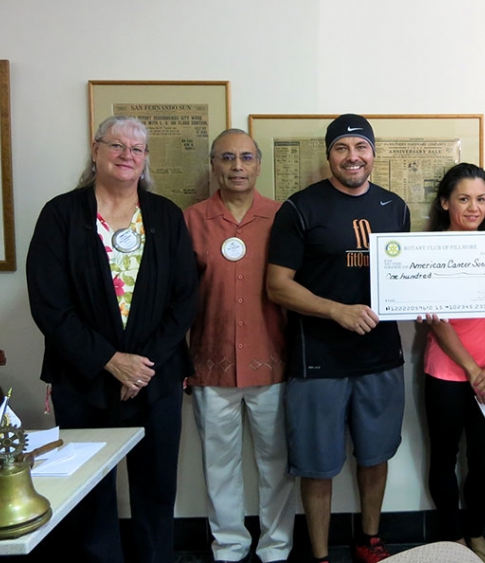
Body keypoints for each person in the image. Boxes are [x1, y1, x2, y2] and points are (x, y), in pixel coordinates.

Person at [26, 115, 197, 563]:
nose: (127, 155)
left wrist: (140, 365)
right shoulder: (61, 214)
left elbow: (185, 299)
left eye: (137, 149)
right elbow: (49, 304)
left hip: (154, 378)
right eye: (117, 146)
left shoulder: (165, 215)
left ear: (145, 160)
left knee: (156, 489)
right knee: (89, 493)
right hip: (82, 378)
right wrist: (110, 360)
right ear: (96, 150)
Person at [266, 114, 410, 563]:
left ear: (373, 153)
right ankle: (321, 553)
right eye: (342, 148)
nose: (353, 157)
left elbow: (405, 276)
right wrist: (336, 310)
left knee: (375, 456)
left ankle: (369, 538)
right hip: (318, 361)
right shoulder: (299, 208)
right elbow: (277, 285)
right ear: (328, 155)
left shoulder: (395, 207)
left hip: (381, 358)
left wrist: (423, 298)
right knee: (318, 465)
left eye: (360, 147)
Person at [184, 129, 295, 563]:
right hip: (210, 363)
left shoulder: (282, 216)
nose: (237, 167)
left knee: (276, 463)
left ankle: (276, 546)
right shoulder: (191, 220)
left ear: (259, 164)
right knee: (218, 465)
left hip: (273, 362)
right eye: (227, 158)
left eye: (246, 158)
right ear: (213, 165)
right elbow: (177, 295)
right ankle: (228, 546)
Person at [418, 163, 485, 563]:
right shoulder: (428, 251)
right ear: (445, 202)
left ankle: (476, 534)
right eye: (464, 199)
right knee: (443, 458)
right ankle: (452, 539)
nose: (474, 207)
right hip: (445, 374)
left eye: (481, 199)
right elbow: (436, 323)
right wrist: (473, 370)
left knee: (483, 462)